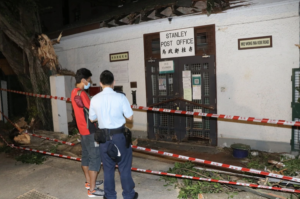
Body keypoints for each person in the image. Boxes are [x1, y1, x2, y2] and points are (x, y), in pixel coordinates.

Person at [89, 70, 138, 199]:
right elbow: (130, 118)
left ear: (100, 83)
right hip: (119, 137)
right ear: (114, 82)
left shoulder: (94, 99)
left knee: (108, 168)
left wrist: (103, 116)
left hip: (103, 138)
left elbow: (92, 119)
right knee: (124, 167)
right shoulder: (121, 97)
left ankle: (110, 196)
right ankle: (128, 195)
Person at [71, 68, 104, 197]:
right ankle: (92, 190)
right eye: (89, 80)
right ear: (83, 80)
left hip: (82, 130)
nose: (89, 82)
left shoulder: (74, 92)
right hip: (90, 130)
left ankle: (89, 182)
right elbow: (92, 112)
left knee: (85, 156)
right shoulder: (83, 94)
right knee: (95, 158)